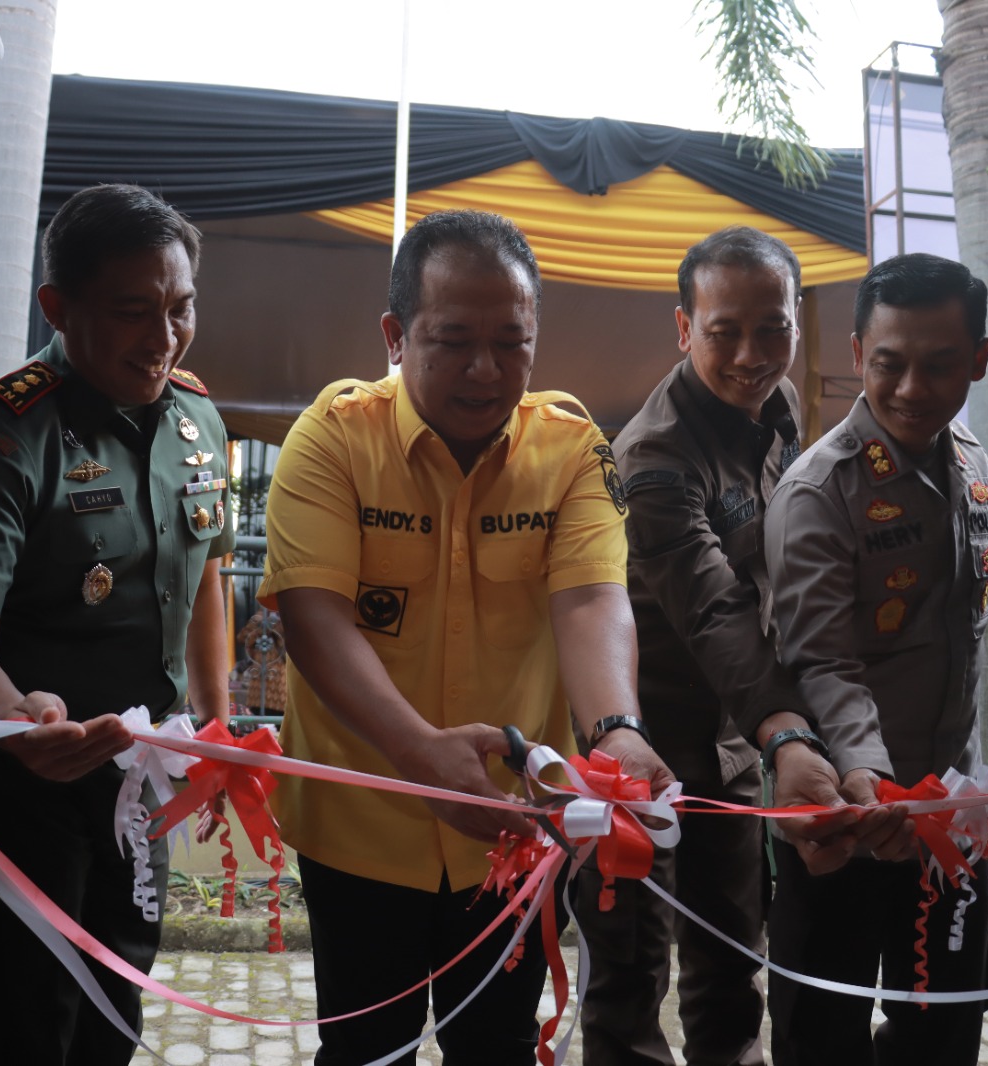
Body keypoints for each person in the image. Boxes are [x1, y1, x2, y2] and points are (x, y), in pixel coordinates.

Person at [257, 209, 675, 1066]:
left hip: (515, 827)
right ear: (396, 335)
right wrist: (418, 751)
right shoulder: (332, 439)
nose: (487, 370)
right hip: (361, 822)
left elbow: (593, 601)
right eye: (453, 340)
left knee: (498, 1045)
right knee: (365, 1046)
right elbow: (314, 618)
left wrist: (615, 732)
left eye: (512, 342)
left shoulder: (572, 450)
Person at [0, 184, 234, 1065]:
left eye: (181, 308)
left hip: (143, 791)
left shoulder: (198, 420)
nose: (164, 338)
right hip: (23, 793)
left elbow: (208, 578)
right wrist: (20, 724)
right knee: (20, 1028)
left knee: (114, 1021)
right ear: (58, 307)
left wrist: (215, 721)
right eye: (134, 312)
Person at [762, 253, 988, 1066]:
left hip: (953, 811)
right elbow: (823, 661)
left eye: (940, 365)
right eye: (889, 364)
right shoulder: (822, 491)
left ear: (978, 360)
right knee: (824, 1032)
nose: (913, 388)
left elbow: (951, 589)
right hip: (851, 815)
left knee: (945, 1029)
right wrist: (874, 783)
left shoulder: (967, 457)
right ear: (857, 355)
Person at [575, 226, 817, 1066]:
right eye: (724, 331)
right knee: (630, 978)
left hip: (735, 742)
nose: (752, 354)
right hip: (643, 751)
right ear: (684, 328)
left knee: (731, 967)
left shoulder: (780, 415)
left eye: (773, 328)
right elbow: (713, 607)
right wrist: (785, 730)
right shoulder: (653, 455)